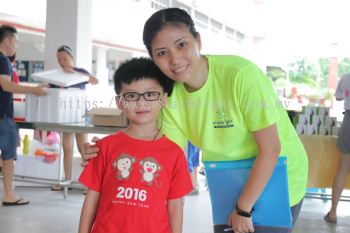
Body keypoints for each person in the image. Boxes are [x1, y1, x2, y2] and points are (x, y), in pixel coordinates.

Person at [82, 8, 308, 233]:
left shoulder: (241, 75)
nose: (175, 59)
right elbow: (163, 154)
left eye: (182, 45)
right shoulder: (170, 96)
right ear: (154, 58)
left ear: (198, 41)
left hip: (276, 173)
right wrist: (103, 154)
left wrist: (243, 209)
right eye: (162, 53)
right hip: (226, 179)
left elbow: (271, 149)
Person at [78, 57, 192, 233]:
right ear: (119, 102)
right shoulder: (104, 147)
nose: (141, 102)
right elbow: (92, 198)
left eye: (150, 94)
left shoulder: (174, 153)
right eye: (131, 95)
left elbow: (175, 205)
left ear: (163, 99)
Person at [0, 25, 47, 206]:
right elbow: (6, 86)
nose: (16, 46)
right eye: (15, 41)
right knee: (8, 157)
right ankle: (9, 195)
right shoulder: (3, 61)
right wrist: (33, 90)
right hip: (3, 116)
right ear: (7, 41)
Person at [51, 45, 98, 191]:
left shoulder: (80, 72)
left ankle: (88, 183)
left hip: (81, 114)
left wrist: (74, 73)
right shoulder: (58, 75)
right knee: (67, 148)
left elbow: (95, 80)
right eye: (59, 59)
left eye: (65, 58)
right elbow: (50, 90)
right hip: (65, 115)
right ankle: (67, 181)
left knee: (83, 147)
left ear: (72, 58)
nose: (62, 62)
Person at [324, 73, 350, 224]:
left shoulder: (347, 77)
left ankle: (333, 212)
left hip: (349, 121)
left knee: (342, 169)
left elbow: (339, 97)